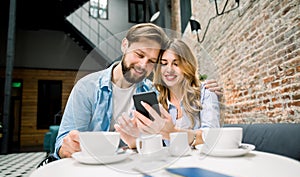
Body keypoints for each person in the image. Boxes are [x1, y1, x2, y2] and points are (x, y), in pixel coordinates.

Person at [54, 24, 221, 159]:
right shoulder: (87, 88)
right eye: (139, 54)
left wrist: (135, 143)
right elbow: (63, 143)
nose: (143, 65)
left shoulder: (152, 94)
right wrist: (66, 147)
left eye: (151, 61)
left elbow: (154, 144)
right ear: (125, 45)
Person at [115, 39, 220, 148]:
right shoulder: (157, 100)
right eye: (164, 64)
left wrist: (173, 132)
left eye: (176, 64)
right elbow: (156, 147)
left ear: (187, 66)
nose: (169, 70)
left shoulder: (205, 92)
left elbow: (212, 136)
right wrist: (134, 142)